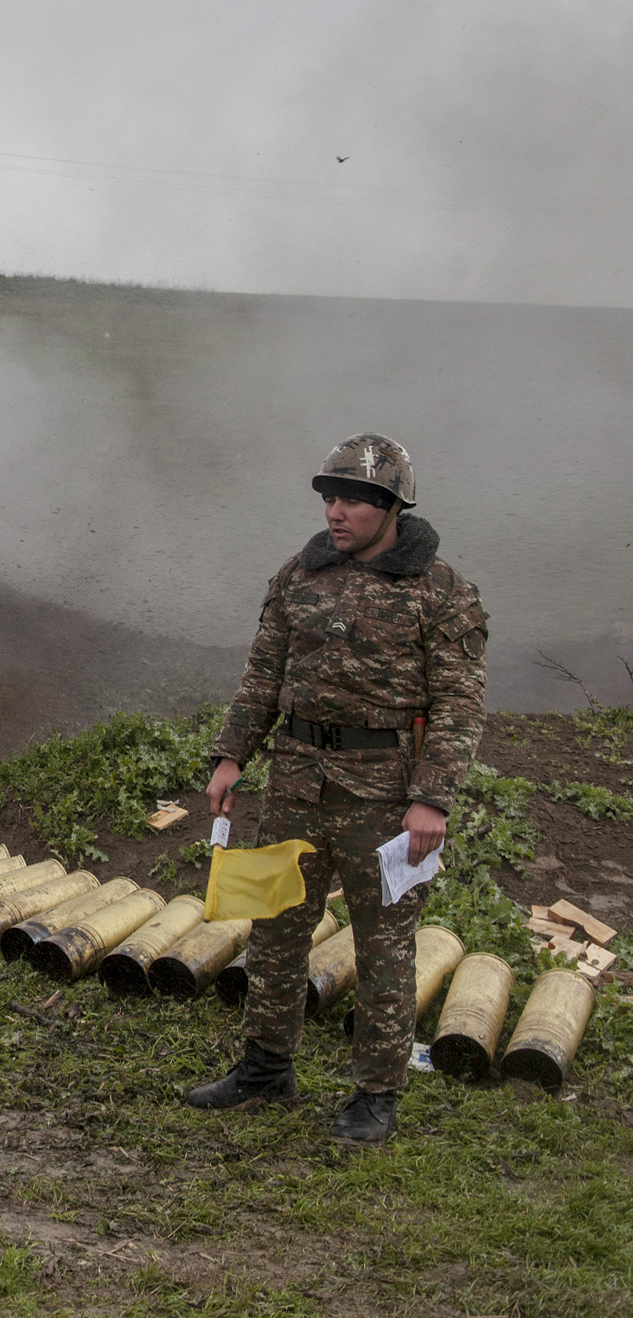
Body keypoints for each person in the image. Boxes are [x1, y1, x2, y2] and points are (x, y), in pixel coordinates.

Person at [188, 433, 487, 1144]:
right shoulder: (300, 574)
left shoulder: (439, 591)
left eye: (353, 498)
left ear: (391, 505)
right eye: (330, 496)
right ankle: (265, 1065)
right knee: (275, 929)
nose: (335, 510)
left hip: (385, 798)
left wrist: (432, 797)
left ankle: (377, 1093)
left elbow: (459, 703)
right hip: (294, 781)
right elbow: (263, 675)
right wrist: (231, 756)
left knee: (384, 947)